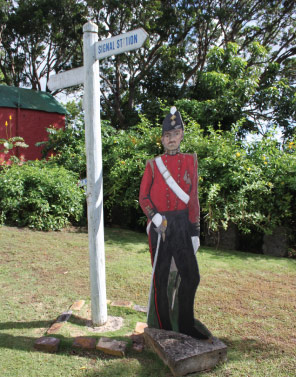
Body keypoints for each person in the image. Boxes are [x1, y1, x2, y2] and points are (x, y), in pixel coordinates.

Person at [139, 106, 211, 340]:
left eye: (175, 134)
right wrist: (156, 217)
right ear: (162, 139)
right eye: (167, 135)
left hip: (181, 224)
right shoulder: (153, 164)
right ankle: (162, 326)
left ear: (181, 135)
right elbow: (143, 197)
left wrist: (195, 231)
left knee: (191, 276)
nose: (171, 139)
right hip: (161, 226)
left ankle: (185, 324)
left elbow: (193, 198)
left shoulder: (190, 160)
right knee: (161, 278)